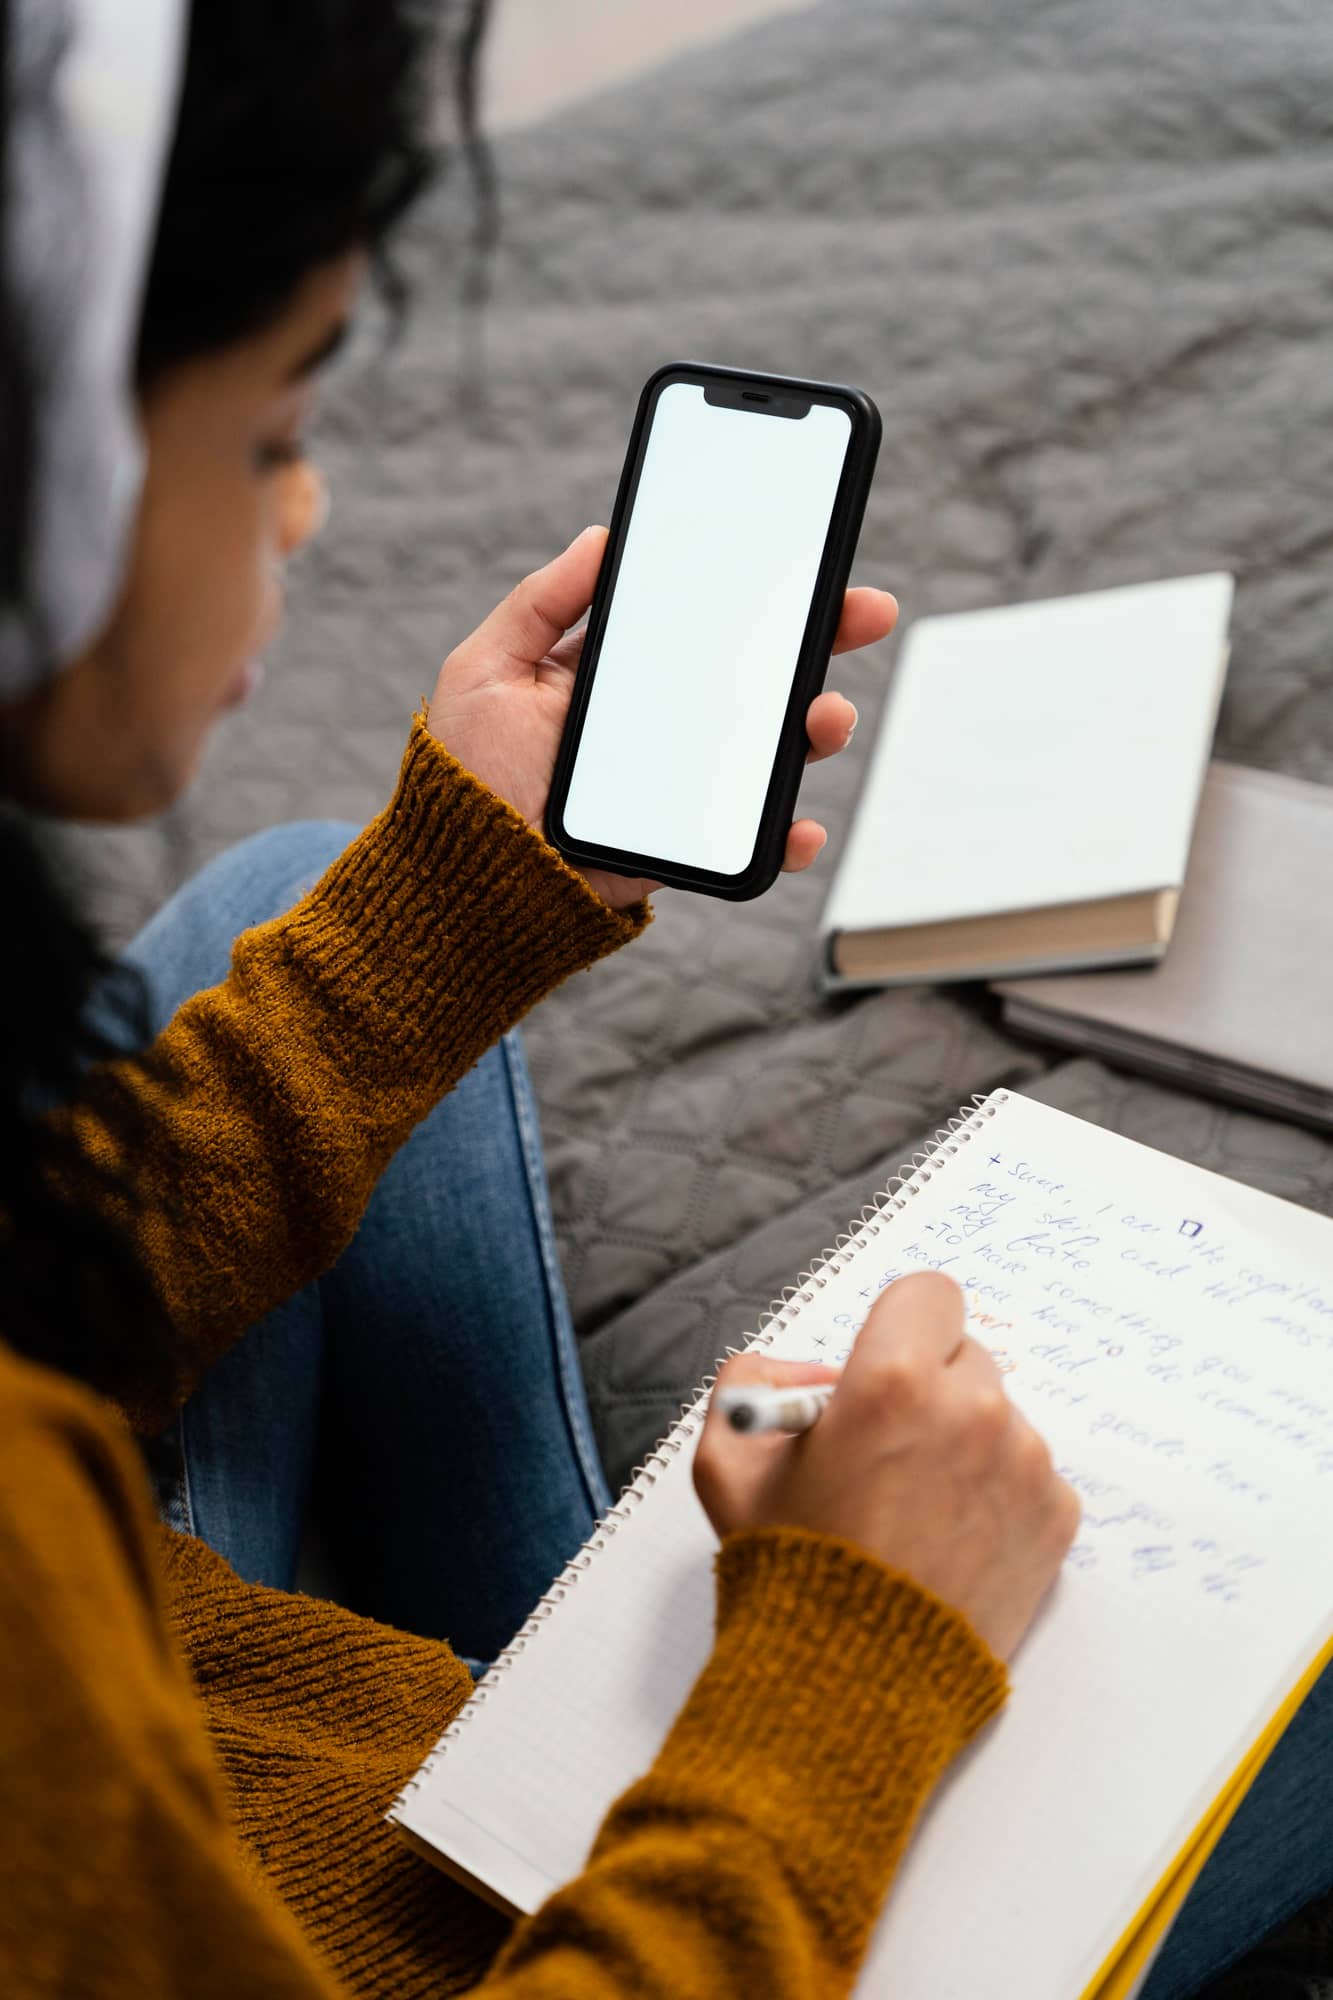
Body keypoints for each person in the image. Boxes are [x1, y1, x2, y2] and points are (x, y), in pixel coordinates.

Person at [0, 4, 1328, 1997]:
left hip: (215, 1696)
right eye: (269, 431)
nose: (304, 511)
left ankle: (583, 1676)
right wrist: (845, 1646)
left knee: (293, 904)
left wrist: (468, 891)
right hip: (396, 1919)